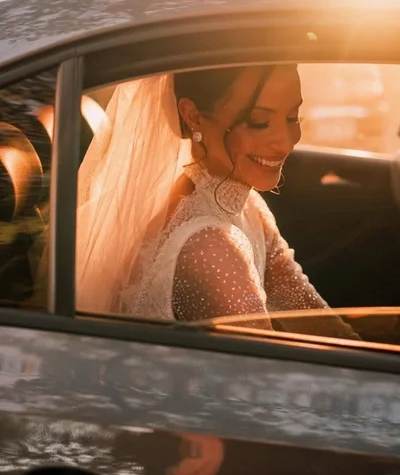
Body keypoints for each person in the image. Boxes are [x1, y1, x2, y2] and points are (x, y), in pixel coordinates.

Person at [76, 64, 353, 335]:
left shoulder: (250, 208)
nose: (285, 141)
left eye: (293, 117)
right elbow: (262, 361)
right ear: (193, 116)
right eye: (259, 122)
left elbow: (313, 318)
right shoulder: (211, 246)